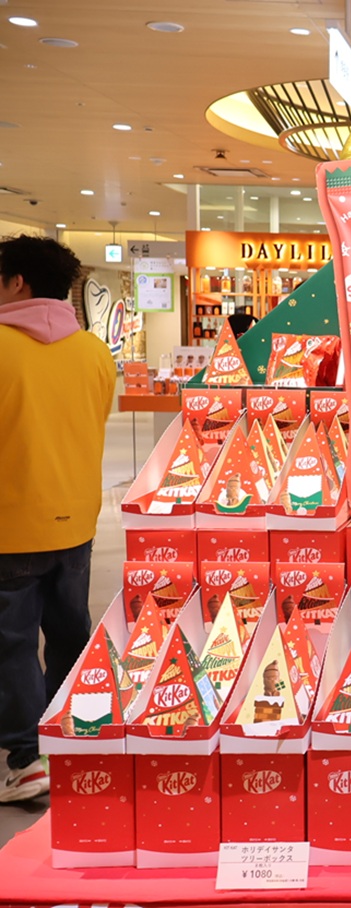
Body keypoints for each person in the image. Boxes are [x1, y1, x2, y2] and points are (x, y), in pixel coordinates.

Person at [0, 235, 114, 802]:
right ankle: (72, 735)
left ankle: (27, 757)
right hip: (77, 521)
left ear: (17, 282)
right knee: (69, 632)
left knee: (13, 644)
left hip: (11, 523)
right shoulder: (94, 352)